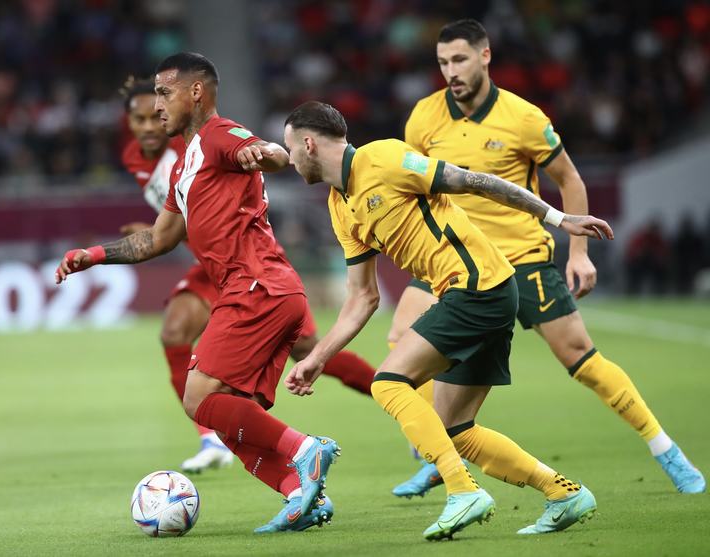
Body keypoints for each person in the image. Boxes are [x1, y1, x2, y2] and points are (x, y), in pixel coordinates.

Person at [389, 18, 705, 497]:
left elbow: (570, 179)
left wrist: (579, 254)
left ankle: (665, 448)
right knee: (401, 342)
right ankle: (442, 454)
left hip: (521, 259)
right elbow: (413, 185)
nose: (450, 71)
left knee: (580, 357)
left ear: (485, 56)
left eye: (459, 60)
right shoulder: (423, 117)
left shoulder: (523, 118)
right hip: (455, 261)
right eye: (442, 62)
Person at [282, 100, 613, 539]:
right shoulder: (340, 206)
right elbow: (363, 297)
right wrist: (318, 357)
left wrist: (557, 217)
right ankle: (564, 493)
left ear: (309, 144)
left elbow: (475, 181)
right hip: (482, 292)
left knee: (388, 383)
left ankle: (462, 490)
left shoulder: (383, 158)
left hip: (476, 287)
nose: (288, 159)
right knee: (456, 429)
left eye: (290, 148)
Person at [56, 53, 340, 533]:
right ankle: (300, 494)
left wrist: (260, 153)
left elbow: (273, 153)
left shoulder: (218, 136)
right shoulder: (184, 166)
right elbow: (158, 239)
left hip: (255, 287)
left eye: (164, 93)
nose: (157, 105)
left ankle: (305, 450)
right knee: (228, 417)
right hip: (266, 290)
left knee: (199, 400)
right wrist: (94, 255)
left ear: (195, 93)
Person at [119, 76, 376, 475]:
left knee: (305, 351)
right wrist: (154, 234)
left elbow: (255, 159)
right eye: (139, 119)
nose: (150, 123)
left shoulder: (195, 140)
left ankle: (394, 395)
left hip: (251, 269)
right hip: (217, 268)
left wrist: (265, 154)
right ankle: (227, 448)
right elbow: (185, 220)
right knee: (177, 336)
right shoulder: (136, 159)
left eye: (157, 111)